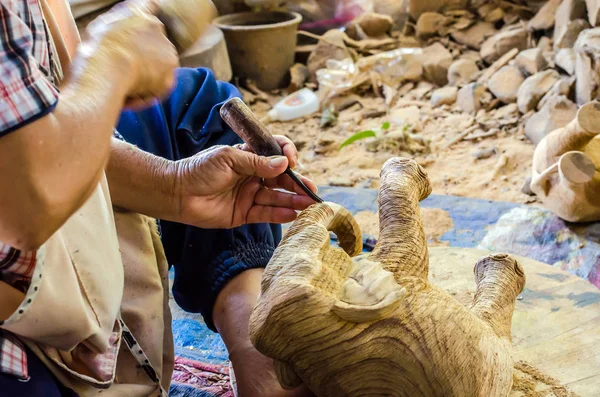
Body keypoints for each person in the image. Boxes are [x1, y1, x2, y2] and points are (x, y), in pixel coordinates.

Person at [0, 0, 315, 395]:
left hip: (40, 169)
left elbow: (40, 122)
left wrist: (172, 185)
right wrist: (113, 57)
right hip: (14, 321)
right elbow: (22, 201)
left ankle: (252, 339)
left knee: (200, 107)